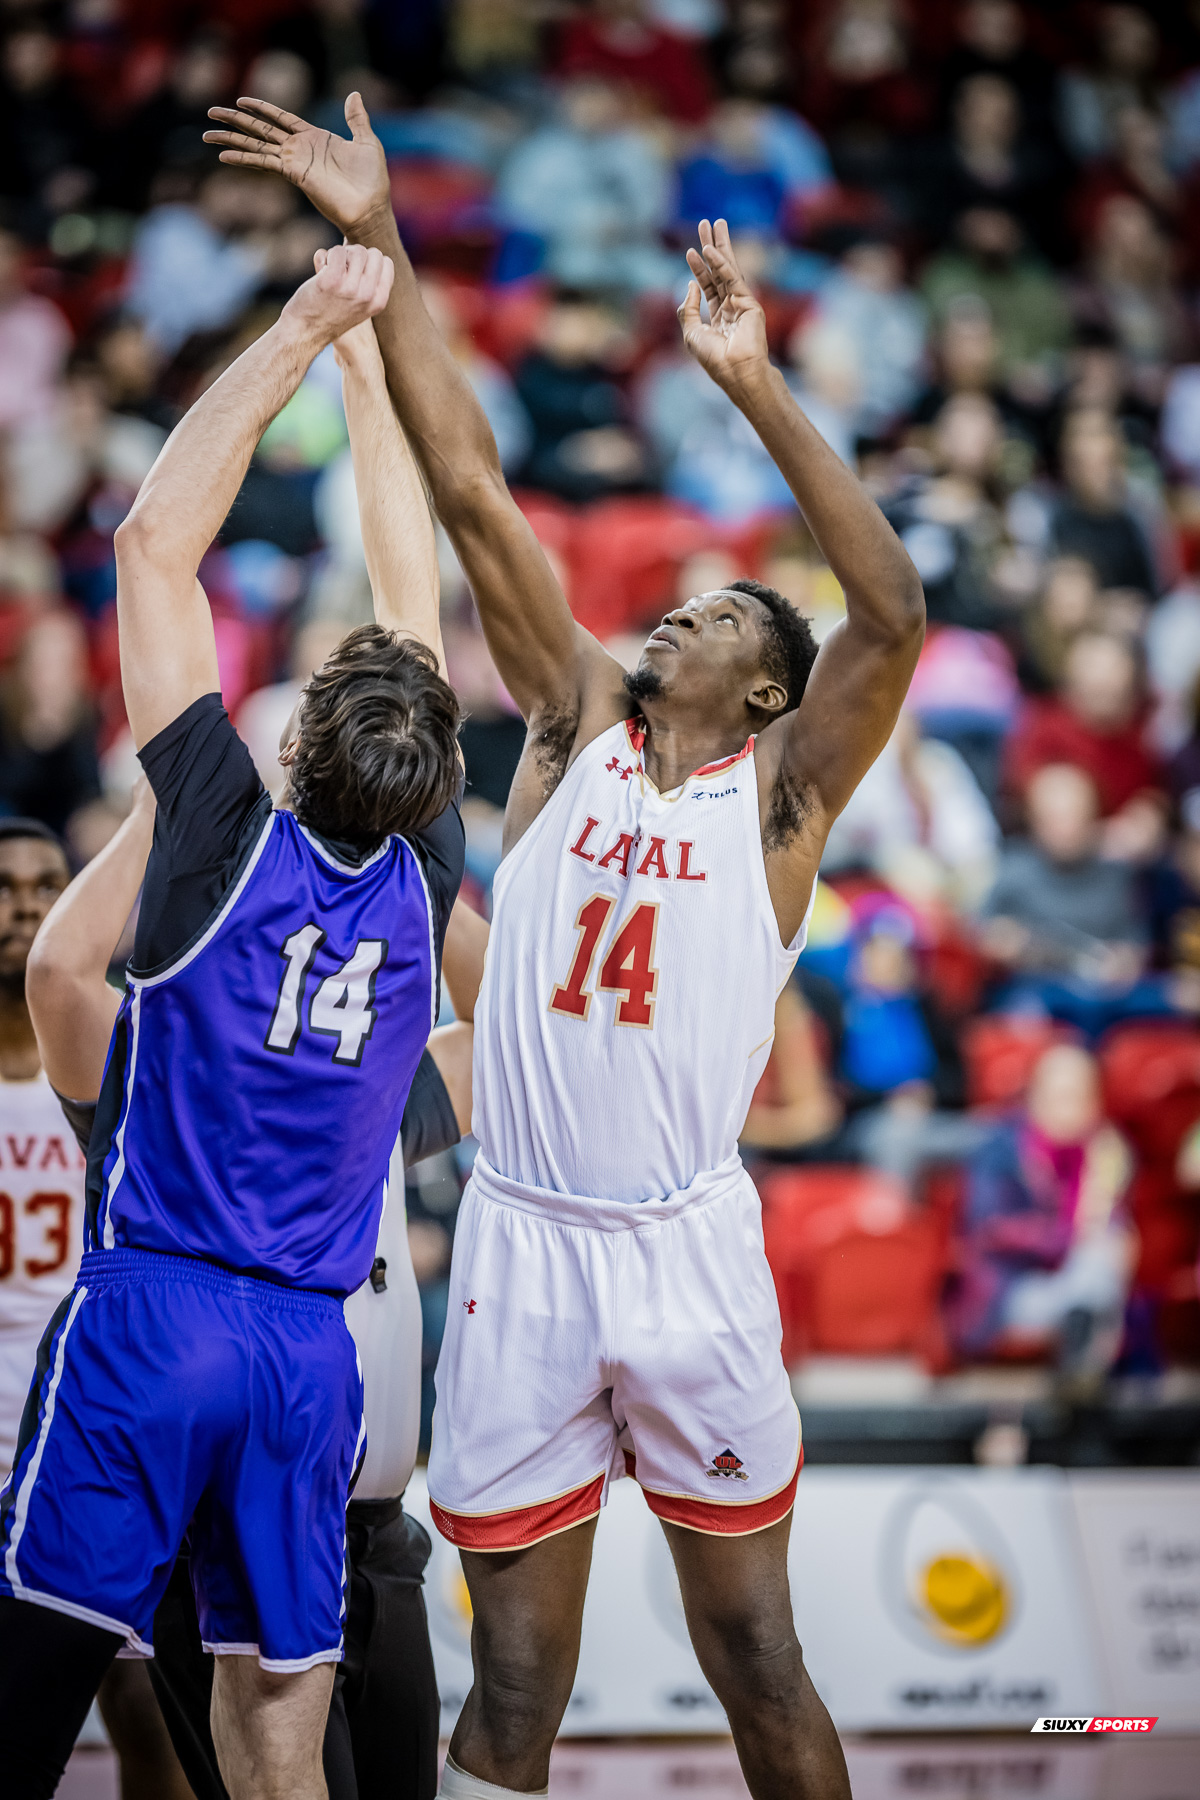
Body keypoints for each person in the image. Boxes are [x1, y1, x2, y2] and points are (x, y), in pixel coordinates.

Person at [207, 92, 925, 1800]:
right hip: (524, 1243)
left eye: (721, 615)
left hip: (683, 1251)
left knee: (755, 1655)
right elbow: (463, 478)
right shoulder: (569, 721)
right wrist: (378, 232)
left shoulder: (783, 806)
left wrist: (753, 389)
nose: (674, 607)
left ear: (766, 689)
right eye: (674, 602)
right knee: (513, 1680)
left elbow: (890, 614)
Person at [0, 241, 465, 1800]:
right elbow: (415, 603)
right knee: (274, 1731)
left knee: (33, 1687)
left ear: (291, 736)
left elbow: (152, 546)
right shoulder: (420, 877)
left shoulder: (213, 833)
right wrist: (369, 378)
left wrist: (309, 325)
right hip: (307, 1356)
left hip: (154, 1316)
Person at [0, 814, 190, 1798]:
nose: (26, 903)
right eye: (7, 886)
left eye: (45, 885)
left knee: (150, 1731)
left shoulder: (127, 1047)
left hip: (92, 1438)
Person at [952, 1043, 1137, 1382]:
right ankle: (1083, 1370)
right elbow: (990, 1229)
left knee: (1103, 1259)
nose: (1072, 1109)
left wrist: (1109, 1222)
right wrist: (1068, 1236)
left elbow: (1111, 1228)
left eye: (1081, 1096)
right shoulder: (1000, 1147)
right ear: (1036, 1095)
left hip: (1081, 1284)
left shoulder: (1104, 1151)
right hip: (1010, 1290)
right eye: (1062, 1096)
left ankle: (1083, 1371)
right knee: (1095, 1275)